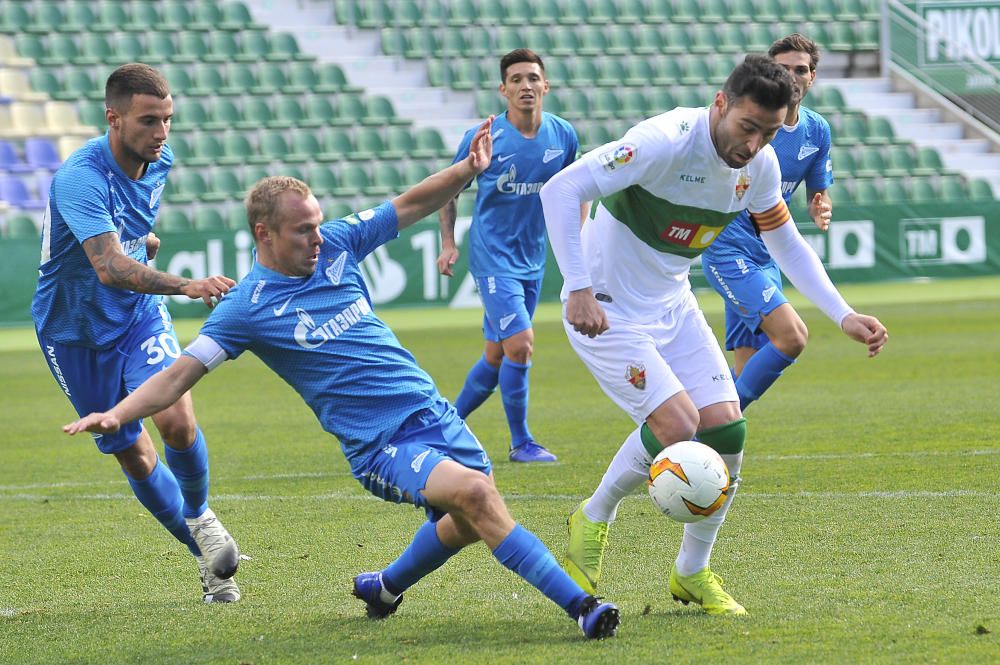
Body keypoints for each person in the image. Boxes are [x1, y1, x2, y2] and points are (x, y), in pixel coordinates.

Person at [63, 119, 621, 639]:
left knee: (470, 519)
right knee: (477, 496)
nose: (316, 238)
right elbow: (177, 377)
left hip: (432, 412)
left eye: (316, 225)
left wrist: (466, 172)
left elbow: (409, 204)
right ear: (265, 234)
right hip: (379, 445)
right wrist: (119, 414)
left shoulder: (337, 245)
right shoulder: (245, 310)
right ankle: (582, 607)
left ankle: (384, 587)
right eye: (303, 230)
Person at [539, 55, 888, 615]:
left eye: (768, 133)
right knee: (678, 423)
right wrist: (577, 286)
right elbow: (559, 189)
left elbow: (786, 242)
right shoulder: (663, 141)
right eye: (748, 127)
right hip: (605, 309)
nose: (754, 145)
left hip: (672, 304)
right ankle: (595, 514)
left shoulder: (761, 165)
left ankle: (691, 572)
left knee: (727, 430)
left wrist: (841, 313)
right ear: (721, 103)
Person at [32, 63, 241, 603]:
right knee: (133, 451)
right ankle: (209, 559)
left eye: (168, 120)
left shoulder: (159, 160)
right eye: (149, 121)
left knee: (176, 417)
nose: (162, 133)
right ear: (114, 118)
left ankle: (200, 516)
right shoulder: (79, 176)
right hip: (71, 329)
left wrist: (141, 243)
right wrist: (185, 284)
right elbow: (106, 266)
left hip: (135, 315)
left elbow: (129, 238)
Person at [437, 49, 586, 464]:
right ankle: (521, 442)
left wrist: (577, 238)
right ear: (503, 89)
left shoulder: (563, 135)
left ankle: (442, 427)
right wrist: (448, 244)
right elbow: (448, 191)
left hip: (531, 258)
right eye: (516, 79)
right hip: (492, 258)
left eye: (533, 78)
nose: (526, 86)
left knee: (497, 355)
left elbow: (579, 189)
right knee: (520, 345)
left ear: (546, 85)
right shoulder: (484, 137)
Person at [701, 33, 842, 411]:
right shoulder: (750, 126)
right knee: (789, 337)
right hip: (728, 250)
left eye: (801, 70)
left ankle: (703, 446)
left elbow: (819, 190)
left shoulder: (817, 131)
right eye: (784, 69)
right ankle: (702, 437)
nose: (793, 77)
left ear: (812, 78)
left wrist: (820, 205)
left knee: (748, 365)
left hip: (767, 254)